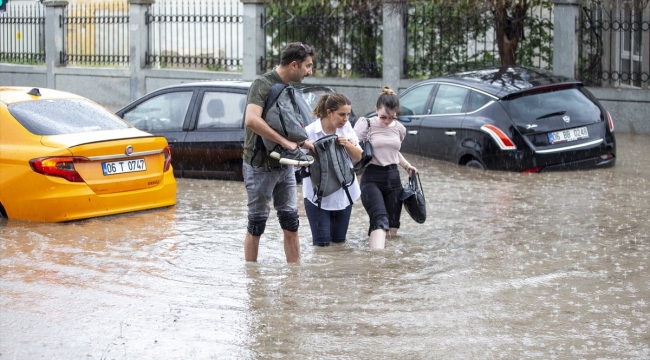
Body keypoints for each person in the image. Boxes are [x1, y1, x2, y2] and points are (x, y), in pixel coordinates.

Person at [242, 42, 316, 263]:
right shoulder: (261, 84)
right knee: (256, 225)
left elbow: (286, 124)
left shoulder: (289, 89)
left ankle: (294, 280)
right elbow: (252, 120)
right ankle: (252, 283)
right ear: (294, 64)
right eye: (308, 66)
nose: (310, 72)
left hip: (285, 165)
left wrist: (304, 143)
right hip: (259, 166)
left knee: (291, 223)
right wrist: (285, 142)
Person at [353, 86, 418, 249]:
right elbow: (351, 146)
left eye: (392, 117)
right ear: (376, 110)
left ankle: (389, 267)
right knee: (380, 219)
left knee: (393, 227)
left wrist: (407, 166)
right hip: (371, 178)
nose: (387, 121)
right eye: (383, 117)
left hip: (393, 178)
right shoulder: (365, 124)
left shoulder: (400, 128)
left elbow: (394, 152)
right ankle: (377, 263)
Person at [301, 93, 362, 247]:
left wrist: (347, 144)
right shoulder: (309, 132)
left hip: (345, 195)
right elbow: (297, 164)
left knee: (339, 245)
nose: (346, 119)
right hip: (317, 198)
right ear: (329, 112)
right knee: (322, 247)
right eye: (342, 114)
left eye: (348, 114)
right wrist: (309, 148)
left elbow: (358, 157)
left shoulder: (346, 128)